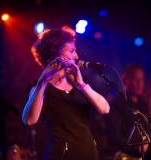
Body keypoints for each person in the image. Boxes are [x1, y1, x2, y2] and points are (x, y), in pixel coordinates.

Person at [22, 26, 110, 160]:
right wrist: (43, 83)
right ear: (55, 55)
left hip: (89, 154)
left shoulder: (79, 84)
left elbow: (105, 109)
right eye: (71, 51)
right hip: (61, 156)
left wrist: (81, 85)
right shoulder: (39, 88)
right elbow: (29, 120)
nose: (76, 56)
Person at [104, 64, 151, 160]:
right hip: (123, 155)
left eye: (141, 79)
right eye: (135, 78)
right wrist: (136, 148)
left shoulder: (143, 104)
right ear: (125, 80)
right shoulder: (116, 104)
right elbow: (112, 135)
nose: (139, 83)